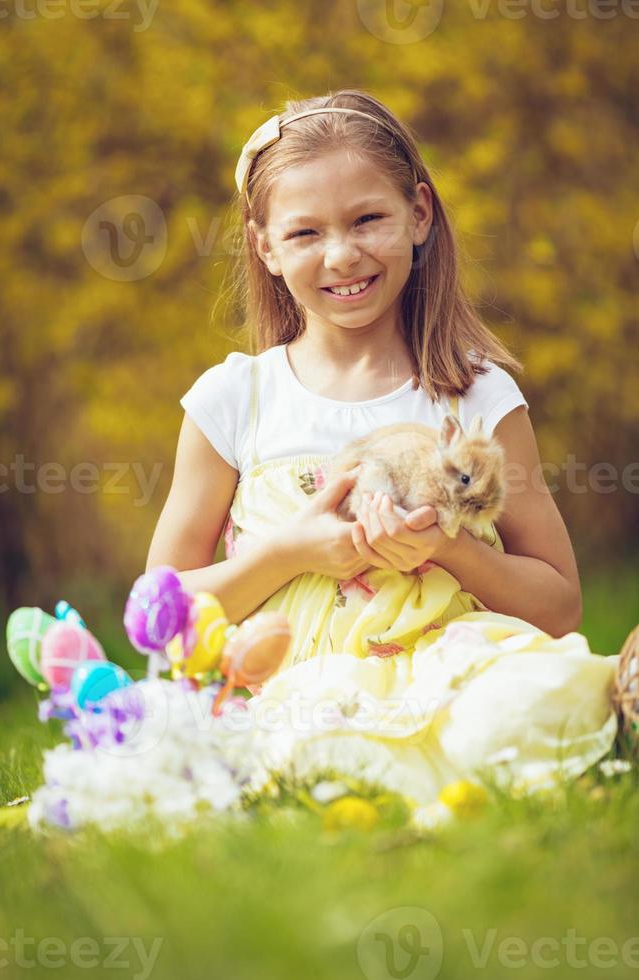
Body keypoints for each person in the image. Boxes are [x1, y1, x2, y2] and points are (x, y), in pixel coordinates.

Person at [146, 90, 625, 807]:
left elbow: (558, 605)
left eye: (368, 218)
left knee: (523, 700)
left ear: (420, 215)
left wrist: (447, 551)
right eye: (305, 233)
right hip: (288, 679)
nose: (342, 254)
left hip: (448, 675)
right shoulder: (235, 401)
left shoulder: (476, 396)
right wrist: (292, 552)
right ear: (265, 247)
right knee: (236, 739)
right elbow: (161, 619)